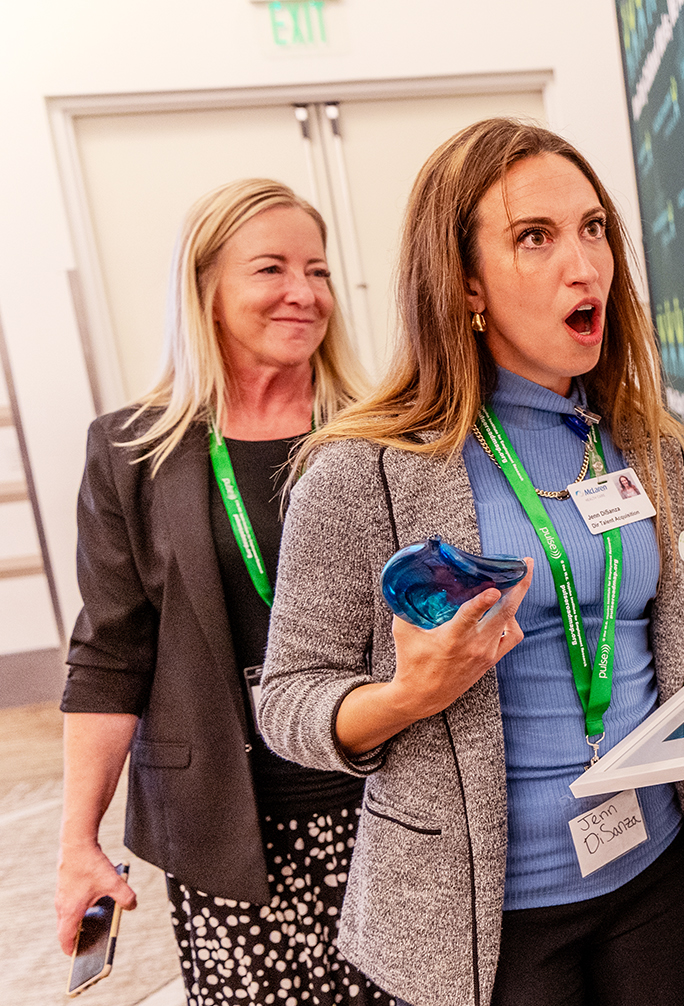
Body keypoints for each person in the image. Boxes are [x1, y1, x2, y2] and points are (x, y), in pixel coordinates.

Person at [257, 118, 684, 1006]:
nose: (585, 266)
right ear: (464, 284)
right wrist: (404, 698)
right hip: (484, 917)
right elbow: (286, 699)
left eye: (594, 228)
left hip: (650, 870)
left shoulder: (653, 453)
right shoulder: (364, 471)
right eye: (534, 238)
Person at [55, 178, 383, 1003]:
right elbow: (110, 654)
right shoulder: (132, 451)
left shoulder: (382, 432)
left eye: (319, 270)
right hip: (227, 823)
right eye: (270, 269)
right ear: (204, 286)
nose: (303, 293)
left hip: (385, 799)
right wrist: (77, 839)